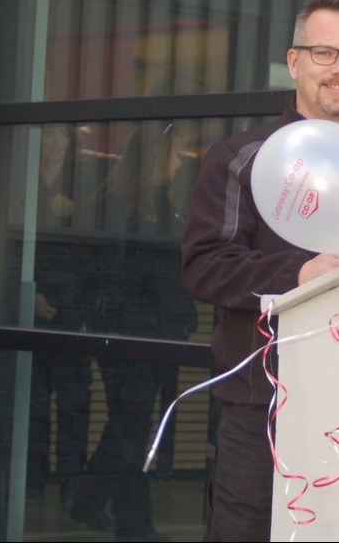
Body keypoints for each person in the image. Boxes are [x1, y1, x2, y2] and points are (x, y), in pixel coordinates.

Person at [181, 0, 339, 542]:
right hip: (266, 404)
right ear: (294, 61)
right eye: (324, 52)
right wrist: (299, 276)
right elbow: (206, 266)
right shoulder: (242, 157)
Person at [71, 123, 197, 541]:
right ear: (157, 156)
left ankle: (88, 498)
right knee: (132, 428)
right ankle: (133, 523)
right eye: (176, 152)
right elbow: (122, 277)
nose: (180, 162)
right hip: (131, 338)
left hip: (151, 337)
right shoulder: (128, 209)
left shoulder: (158, 206)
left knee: (128, 425)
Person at [27, 124, 93, 506]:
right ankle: (33, 483)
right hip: (31, 308)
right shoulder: (21, 178)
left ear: (70, 142)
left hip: (72, 309)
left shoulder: (84, 182)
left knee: (74, 405)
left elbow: (92, 251)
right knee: (34, 404)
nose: (54, 143)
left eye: (60, 136)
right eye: (48, 135)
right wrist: (30, 291)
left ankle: (72, 486)